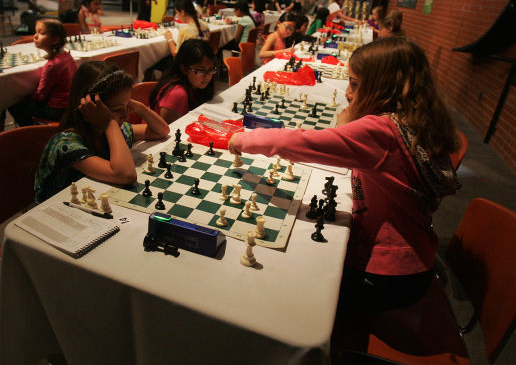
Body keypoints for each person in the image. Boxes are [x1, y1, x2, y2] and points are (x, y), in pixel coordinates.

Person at [229, 37, 461, 312]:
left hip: (387, 278)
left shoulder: (381, 132)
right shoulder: (412, 121)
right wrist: (347, 125)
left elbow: (298, 143)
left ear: (381, 86)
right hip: (414, 261)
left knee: (284, 292)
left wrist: (243, 140)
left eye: (355, 84)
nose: (348, 93)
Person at [34, 61, 170, 204]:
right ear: (89, 106)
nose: (126, 115)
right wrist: (110, 122)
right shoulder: (67, 144)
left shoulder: (115, 130)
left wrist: (140, 107)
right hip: (56, 214)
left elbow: (161, 131)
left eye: (127, 105)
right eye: (117, 110)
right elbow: (126, 175)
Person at [8, 19, 77, 126]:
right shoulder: (66, 55)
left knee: (13, 105)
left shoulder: (52, 65)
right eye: (36, 32)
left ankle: (30, 131)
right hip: (70, 104)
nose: (35, 36)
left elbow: (40, 95)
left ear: (55, 40)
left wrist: (25, 95)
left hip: (56, 109)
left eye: (41, 33)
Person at [149, 39, 216, 124]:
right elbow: (169, 132)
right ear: (184, 69)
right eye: (200, 70)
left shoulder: (196, 86)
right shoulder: (177, 93)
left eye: (210, 70)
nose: (208, 75)